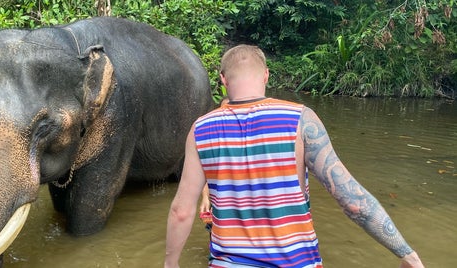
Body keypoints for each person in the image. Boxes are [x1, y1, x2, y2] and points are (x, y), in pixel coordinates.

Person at [164, 44, 424, 268]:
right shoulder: (300, 119)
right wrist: (406, 253)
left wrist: (170, 263)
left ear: (223, 79)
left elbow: (181, 211)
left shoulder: (201, 129)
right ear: (266, 75)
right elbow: (352, 200)